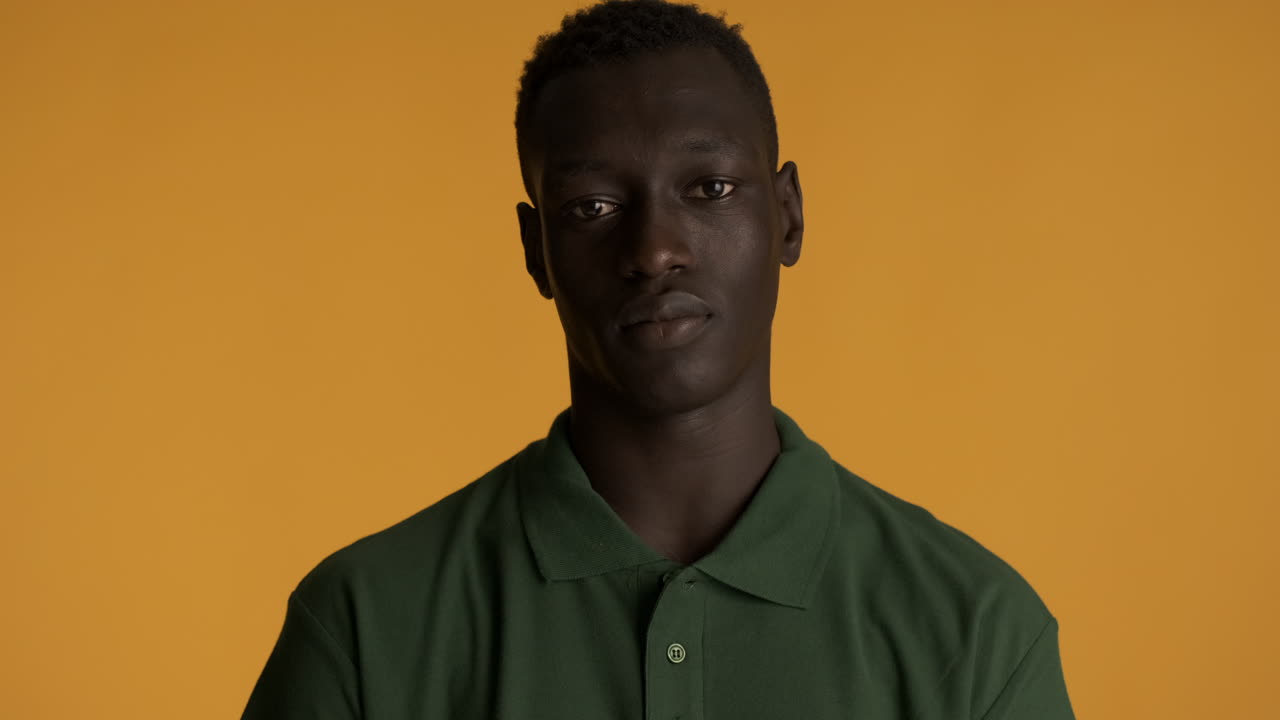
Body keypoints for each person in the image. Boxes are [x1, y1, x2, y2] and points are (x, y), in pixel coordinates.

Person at [242, 1, 1076, 718]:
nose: (655, 249)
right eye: (593, 205)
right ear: (537, 253)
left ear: (786, 216)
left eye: (709, 188)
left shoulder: (976, 632)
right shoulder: (366, 624)